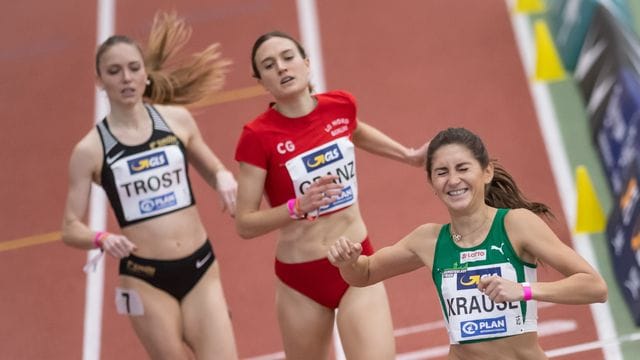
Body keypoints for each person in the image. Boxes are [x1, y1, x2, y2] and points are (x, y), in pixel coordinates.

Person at [328, 127, 609, 359]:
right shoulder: (428, 240)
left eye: (463, 168)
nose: (453, 180)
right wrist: (348, 262)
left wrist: (523, 290)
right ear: (431, 183)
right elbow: (363, 274)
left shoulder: (516, 224)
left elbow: (595, 287)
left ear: (486, 173)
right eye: (441, 172)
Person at [233, 31, 429, 359]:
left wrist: (407, 155)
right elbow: (245, 223)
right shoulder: (257, 137)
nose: (281, 67)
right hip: (301, 277)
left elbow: (357, 130)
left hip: (358, 262)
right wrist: (297, 207)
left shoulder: (340, 106)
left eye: (287, 57)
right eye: (269, 65)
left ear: (306, 63)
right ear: (262, 82)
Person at [61, 12, 239, 359]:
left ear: (145, 73)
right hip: (144, 277)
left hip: (201, 267)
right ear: (99, 80)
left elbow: (211, 165)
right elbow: (69, 228)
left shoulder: (175, 120)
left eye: (133, 68)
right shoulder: (90, 150)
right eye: (114, 71)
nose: (126, 78)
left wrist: (222, 177)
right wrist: (102, 238)